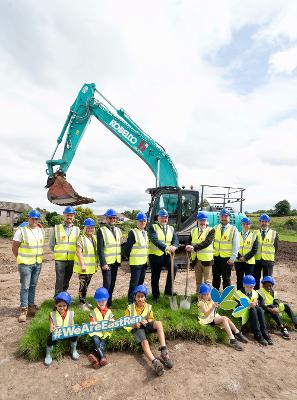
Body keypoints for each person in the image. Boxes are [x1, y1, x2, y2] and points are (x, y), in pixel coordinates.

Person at [124, 285, 173, 376]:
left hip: (145, 325)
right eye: (138, 296)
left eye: (142, 296)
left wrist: (147, 321)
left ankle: (163, 350)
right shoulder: (129, 308)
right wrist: (134, 324)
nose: (140, 299)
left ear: (145, 298)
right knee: (145, 342)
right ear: (134, 297)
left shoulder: (148, 307)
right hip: (137, 328)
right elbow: (125, 321)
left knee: (158, 323)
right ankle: (154, 362)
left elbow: (150, 318)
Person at [12, 209, 45, 322]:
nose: (34, 220)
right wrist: (20, 258)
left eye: (36, 219)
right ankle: (23, 310)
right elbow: (14, 247)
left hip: (37, 263)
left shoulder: (40, 230)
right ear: (28, 218)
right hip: (25, 264)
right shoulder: (21, 231)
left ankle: (31, 307)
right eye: (32, 218)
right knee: (25, 287)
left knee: (33, 285)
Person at [197, 283, 247, 351]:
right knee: (224, 319)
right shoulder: (201, 303)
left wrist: (216, 303)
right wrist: (212, 307)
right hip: (206, 319)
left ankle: (237, 333)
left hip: (213, 316)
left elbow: (215, 303)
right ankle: (232, 338)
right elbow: (206, 314)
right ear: (202, 295)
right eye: (205, 294)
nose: (207, 296)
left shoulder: (209, 299)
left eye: (208, 294)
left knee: (227, 319)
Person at [148, 209, 179, 302]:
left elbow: (175, 240)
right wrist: (166, 247)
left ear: (167, 219)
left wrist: (174, 246)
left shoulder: (171, 228)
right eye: (162, 217)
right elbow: (154, 240)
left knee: (174, 267)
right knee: (155, 276)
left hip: (167, 255)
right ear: (158, 218)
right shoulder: (152, 227)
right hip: (155, 255)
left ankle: (168, 291)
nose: (164, 219)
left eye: (165, 218)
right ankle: (155, 296)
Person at [49, 206, 80, 296]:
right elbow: (51, 244)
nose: (69, 217)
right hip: (60, 260)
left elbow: (78, 245)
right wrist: (58, 253)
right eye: (67, 215)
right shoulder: (57, 228)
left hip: (71, 259)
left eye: (71, 215)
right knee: (59, 280)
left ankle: (63, 298)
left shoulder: (77, 230)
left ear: (74, 216)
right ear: (64, 215)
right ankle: (57, 300)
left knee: (67, 280)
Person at [234, 275, 273, 346]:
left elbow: (256, 299)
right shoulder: (238, 293)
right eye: (247, 286)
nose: (249, 288)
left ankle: (264, 332)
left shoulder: (254, 292)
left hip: (252, 309)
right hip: (243, 312)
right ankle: (257, 334)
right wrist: (248, 306)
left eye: (251, 287)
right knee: (253, 310)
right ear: (244, 285)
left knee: (260, 309)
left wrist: (255, 302)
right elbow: (237, 306)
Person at [44, 291, 79, 366]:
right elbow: (51, 326)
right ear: (56, 305)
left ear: (67, 305)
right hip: (58, 334)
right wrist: (52, 329)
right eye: (59, 306)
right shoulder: (52, 314)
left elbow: (72, 324)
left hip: (67, 333)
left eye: (64, 305)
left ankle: (73, 350)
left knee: (75, 335)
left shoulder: (71, 313)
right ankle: (48, 354)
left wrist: (73, 328)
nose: (62, 308)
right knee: (49, 338)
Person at [258, 276, 297, 340]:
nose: (268, 287)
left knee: (286, 306)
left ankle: (295, 323)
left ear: (272, 286)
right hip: (265, 308)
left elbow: (275, 302)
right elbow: (262, 304)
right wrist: (271, 309)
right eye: (266, 286)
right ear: (263, 285)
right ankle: (282, 328)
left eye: (270, 286)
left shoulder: (273, 292)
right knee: (273, 308)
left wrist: (276, 308)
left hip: (273, 307)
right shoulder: (260, 291)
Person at [97, 208, 122, 307]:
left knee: (112, 283)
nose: (113, 219)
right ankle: (104, 305)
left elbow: (119, 245)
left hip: (115, 261)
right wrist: (103, 263)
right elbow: (100, 248)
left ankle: (109, 302)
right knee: (107, 284)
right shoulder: (101, 230)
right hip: (107, 263)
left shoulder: (118, 230)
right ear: (106, 218)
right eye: (111, 218)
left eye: (114, 218)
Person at [186, 211, 214, 291]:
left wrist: (193, 247)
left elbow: (207, 243)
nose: (202, 222)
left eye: (203, 220)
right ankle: (199, 297)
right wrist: (187, 246)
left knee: (207, 281)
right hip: (196, 260)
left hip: (207, 260)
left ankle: (207, 298)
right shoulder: (193, 231)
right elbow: (188, 241)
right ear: (197, 221)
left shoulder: (211, 230)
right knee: (198, 281)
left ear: (206, 221)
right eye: (200, 220)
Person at [73, 218, 98, 311]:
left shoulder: (94, 238)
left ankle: (83, 301)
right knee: (82, 286)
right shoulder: (81, 238)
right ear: (84, 228)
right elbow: (79, 252)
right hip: (83, 267)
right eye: (88, 228)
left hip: (91, 267)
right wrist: (83, 264)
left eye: (92, 228)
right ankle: (81, 303)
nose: (90, 229)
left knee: (86, 285)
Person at [212, 208, 239, 290]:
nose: (223, 218)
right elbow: (211, 242)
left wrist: (233, 258)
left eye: (225, 216)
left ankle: (225, 297)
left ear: (229, 217)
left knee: (226, 278)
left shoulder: (233, 229)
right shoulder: (215, 228)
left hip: (227, 259)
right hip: (216, 257)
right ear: (220, 217)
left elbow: (236, 245)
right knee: (216, 277)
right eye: (222, 216)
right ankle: (215, 295)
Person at [125, 212, 149, 304]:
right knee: (134, 283)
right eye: (140, 221)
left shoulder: (145, 233)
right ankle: (130, 301)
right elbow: (127, 248)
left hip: (143, 263)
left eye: (144, 221)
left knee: (140, 283)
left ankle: (138, 300)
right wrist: (130, 258)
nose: (142, 222)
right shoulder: (133, 232)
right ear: (137, 222)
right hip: (135, 263)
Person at [88, 288, 114, 368]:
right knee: (95, 339)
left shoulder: (109, 312)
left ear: (107, 300)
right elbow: (91, 321)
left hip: (106, 332)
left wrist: (112, 321)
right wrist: (92, 323)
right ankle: (102, 357)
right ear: (96, 301)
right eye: (99, 301)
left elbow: (112, 320)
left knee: (102, 342)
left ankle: (95, 357)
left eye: (104, 300)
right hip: (96, 331)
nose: (101, 302)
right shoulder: (94, 312)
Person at [254, 213, 279, 290]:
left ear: (268, 222)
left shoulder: (274, 233)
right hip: (257, 260)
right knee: (256, 279)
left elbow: (276, 247)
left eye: (265, 221)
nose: (264, 223)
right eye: (262, 221)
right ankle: (256, 296)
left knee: (267, 280)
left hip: (268, 261)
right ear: (260, 222)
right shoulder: (255, 233)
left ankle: (265, 299)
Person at [235, 217, 258, 290]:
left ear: (250, 225)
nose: (245, 226)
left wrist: (245, 258)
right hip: (238, 261)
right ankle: (239, 296)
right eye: (244, 224)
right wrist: (239, 257)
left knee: (249, 280)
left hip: (249, 262)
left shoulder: (254, 236)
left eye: (247, 224)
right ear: (241, 225)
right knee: (239, 280)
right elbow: (234, 247)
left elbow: (254, 250)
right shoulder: (237, 235)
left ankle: (248, 296)